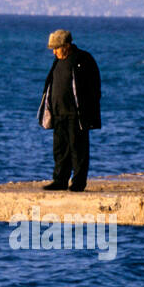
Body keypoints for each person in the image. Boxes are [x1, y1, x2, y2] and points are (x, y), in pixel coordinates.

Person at [37, 29, 101, 191]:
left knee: (78, 149)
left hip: (76, 114)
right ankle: (60, 180)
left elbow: (94, 86)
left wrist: (88, 109)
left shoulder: (82, 59)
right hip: (59, 113)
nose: (54, 52)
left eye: (56, 48)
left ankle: (78, 182)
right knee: (60, 149)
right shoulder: (57, 61)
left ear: (66, 45)